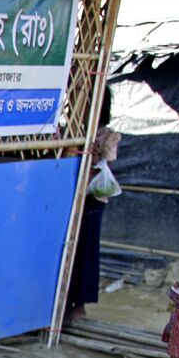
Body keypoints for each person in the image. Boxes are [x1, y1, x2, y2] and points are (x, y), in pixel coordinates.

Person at [64, 89, 119, 324]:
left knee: (85, 249)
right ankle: (65, 300)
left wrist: (94, 158)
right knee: (69, 248)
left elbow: (107, 164)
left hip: (91, 199)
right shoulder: (73, 129)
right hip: (71, 194)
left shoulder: (107, 136)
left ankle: (79, 304)